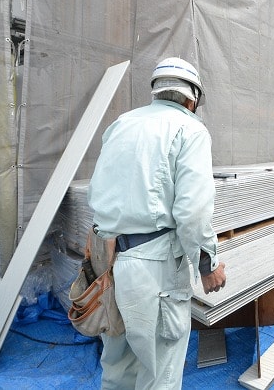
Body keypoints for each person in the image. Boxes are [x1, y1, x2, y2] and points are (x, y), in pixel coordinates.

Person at [87, 57, 227, 389]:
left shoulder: (121, 124)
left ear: (156, 91)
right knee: (159, 371)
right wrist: (208, 264)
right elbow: (192, 212)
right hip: (154, 269)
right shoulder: (190, 129)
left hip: (106, 258)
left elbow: (98, 190)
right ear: (192, 98)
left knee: (118, 367)